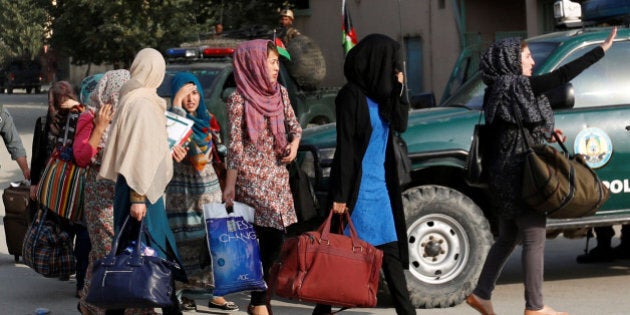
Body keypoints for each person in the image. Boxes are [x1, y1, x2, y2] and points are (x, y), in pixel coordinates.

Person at [466, 27, 617, 315]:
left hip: (502, 174)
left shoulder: (496, 89)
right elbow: (561, 77)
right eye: (526, 56)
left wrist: (542, 132)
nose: (532, 62)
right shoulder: (517, 86)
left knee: (509, 236)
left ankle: (481, 293)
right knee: (534, 238)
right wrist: (601, 50)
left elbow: (512, 129)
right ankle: (535, 307)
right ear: (510, 60)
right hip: (522, 175)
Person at [311, 33, 415, 315]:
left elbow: (402, 123)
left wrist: (400, 89)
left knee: (391, 257)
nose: (396, 70)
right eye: (392, 64)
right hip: (354, 194)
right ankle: (321, 310)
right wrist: (340, 195)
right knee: (338, 258)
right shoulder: (351, 96)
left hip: (380, 193)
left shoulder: (384, 97)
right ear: (377, 62)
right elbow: (346, 148)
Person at [98, 48, 187, 315]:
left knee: (132, 253)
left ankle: (120, 309)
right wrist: (138, 197)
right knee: (151, 253)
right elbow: (138, 153)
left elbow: (147, 148)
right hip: (141, 192)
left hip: (136, 188)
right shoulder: (143, 103)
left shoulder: (134, 98)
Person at [223, 39, 302, 315]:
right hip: (250, 178)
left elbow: (295, 127)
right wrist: (230, 186)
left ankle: (259, 298)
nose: (275, 67)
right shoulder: (237, 99)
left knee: (275, 238)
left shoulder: (280, 93)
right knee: (266, 237)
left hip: (278, 176)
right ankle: (258, 302)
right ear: (254, 64)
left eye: (277, 62)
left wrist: (293, 145)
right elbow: (234, 146)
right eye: (270, 62)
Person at [74, 69, 158, 315]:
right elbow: (81, 157)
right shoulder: (89, 117)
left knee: (122, 250)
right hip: (99, 197)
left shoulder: (131, 119)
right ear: (107, 92)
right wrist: (99, 127)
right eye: (119, 94)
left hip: (124, 195)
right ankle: (115, 306)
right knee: (107, 252)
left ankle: (94, 304)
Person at [164, 72, 238, 312]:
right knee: (185, 245)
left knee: (214, 244)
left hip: (209, 192)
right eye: (185, 94)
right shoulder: (169, 121)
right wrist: (176, 109)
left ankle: (216, 294)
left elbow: (221, 153)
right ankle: (182, 292)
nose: (191, 98)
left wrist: (229, 185)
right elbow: (177, 147)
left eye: (194, 92)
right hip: (181, 195)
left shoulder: (208, 119)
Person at [32, 81, 91, 294]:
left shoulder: (76, 115)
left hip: (70, 184)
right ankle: (76, 275)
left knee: (77, 230)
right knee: (74, 229)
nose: (51, 107)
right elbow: (43, 153)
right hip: (66, 184)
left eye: (54, 102)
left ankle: (77, 275)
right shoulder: (57, 119)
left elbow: (74, 152)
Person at [0, 105, 30, 182]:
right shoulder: (1, 113)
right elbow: (15, 145)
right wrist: (26, 170)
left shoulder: (2, 114)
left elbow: (15, 145)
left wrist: (26, 170)